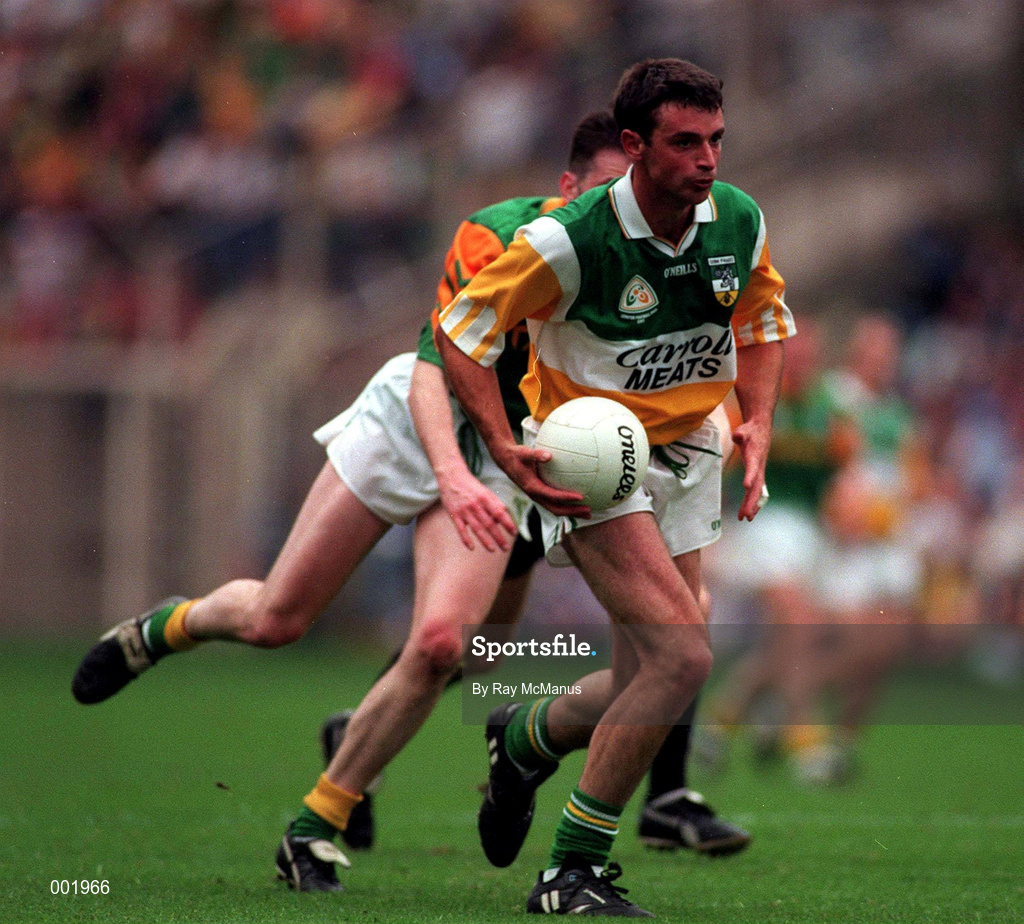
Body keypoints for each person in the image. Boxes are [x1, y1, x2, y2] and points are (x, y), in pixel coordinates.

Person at [70, 110, 745, 896]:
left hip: (519, 456)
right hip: (421, 423)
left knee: (447, 646)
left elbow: (687, 371)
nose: (616, 209)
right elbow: (435, 366)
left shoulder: (658, 253)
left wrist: (729, 436)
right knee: (276, 620)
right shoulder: (501, 238)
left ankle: (314, 826)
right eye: (600, 191)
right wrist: (453, 477)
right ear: (567, 186)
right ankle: (165, 629)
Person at [436, 58, 793, 916]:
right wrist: (501, 444)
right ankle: (570, 871)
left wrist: (759, 419)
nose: (707, 159)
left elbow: (762, 319)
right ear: (634, 145)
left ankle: (527, 738)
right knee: (685, 657)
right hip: (590, 458)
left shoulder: (737, 217)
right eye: (685, 142)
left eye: (716, 139)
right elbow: (461, 329)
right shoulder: (570, 239)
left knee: (649, 671)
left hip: (691, 449)